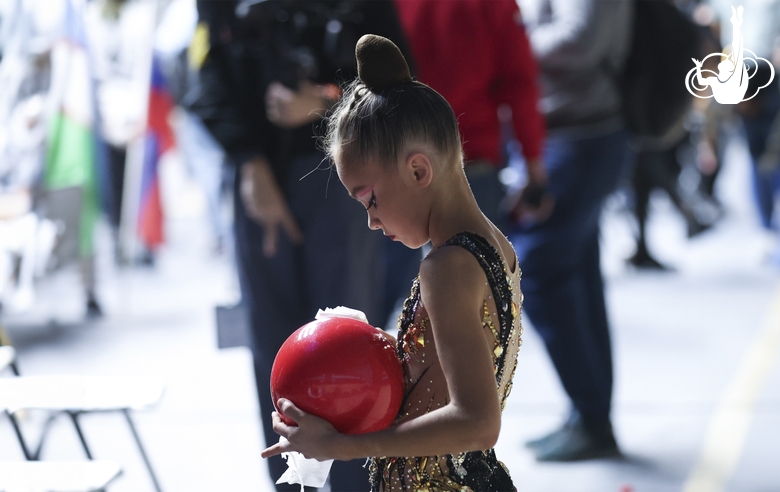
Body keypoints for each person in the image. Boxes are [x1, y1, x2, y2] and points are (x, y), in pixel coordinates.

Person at [261, 35, 524, 492]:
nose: (371, 221)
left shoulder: (446, 269)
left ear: (419, 171)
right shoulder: (493, 245)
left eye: (371, 200)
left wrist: (341, 448)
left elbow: (478, 422)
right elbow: (447, 366)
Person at [192, 2, 413, 490]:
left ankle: (358, 480)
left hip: (341, 176)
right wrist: (248, 163)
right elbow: (206, 83)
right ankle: (293, 482)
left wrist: (328, 103)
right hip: (259, 180)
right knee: (274, 348)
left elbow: (400, 83)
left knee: (350, 345)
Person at [510, 0, 633, 461]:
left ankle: (592, 415)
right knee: (577, 274)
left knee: (541, 270)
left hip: (581, 133)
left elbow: (579, 41)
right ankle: (590, 414)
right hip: (574, 130)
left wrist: (511, 37)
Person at [393, 0, 547, 233]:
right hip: (470, 161)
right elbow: (520, 86)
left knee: (391, 266)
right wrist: (533, 166)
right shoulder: (495, 5)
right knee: (474, 264)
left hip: (397, 157)